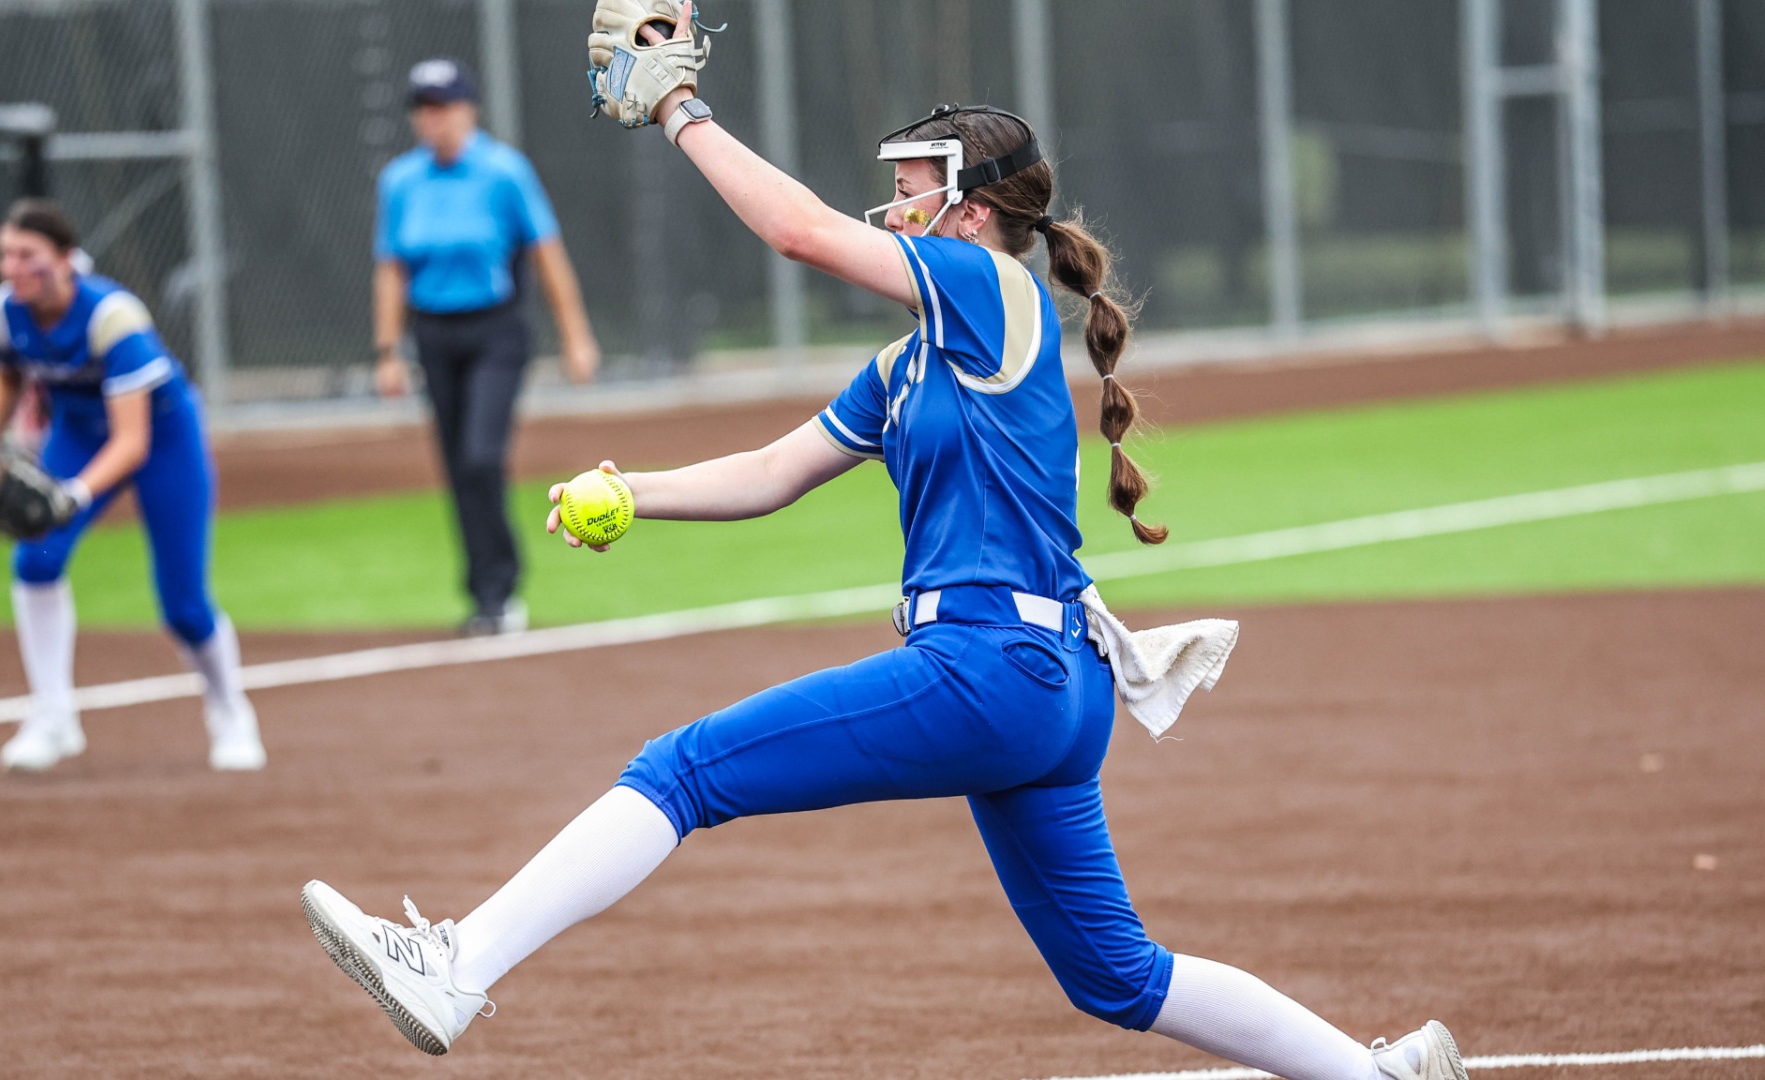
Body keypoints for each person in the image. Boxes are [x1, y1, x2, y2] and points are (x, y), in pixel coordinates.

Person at [301, 8, 1466, 1080]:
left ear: (971, 210)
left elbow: (798, 232)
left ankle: (456, 968)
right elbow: (773, 474)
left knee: (681, 769)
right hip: (1050, 690)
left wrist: (677, 105)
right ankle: (1368, 1078)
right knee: (1118, 977)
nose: (894, 204)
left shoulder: (987, 283)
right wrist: (630, 490)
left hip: (990, 669)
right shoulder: (913, 360)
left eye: (914, 187)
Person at [0, 198, 265, 774]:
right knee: (35, 561)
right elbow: (6, 377)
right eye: (4, 255)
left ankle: (229, 708)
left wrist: (74, 495)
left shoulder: (113, 318)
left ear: (65, 259)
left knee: (184, 606)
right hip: (80, 434)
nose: (13, 267)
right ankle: (54, 716)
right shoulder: (1, 314)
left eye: (27, 255)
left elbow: (132, 441)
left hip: (163, 441)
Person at [373, 57, 602, 637]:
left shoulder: (503, 172)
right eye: (424, 109)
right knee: (456, 466)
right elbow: (391, 268)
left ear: (469, 109)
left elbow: (547, 253)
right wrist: (387, 350)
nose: (435, 120)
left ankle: (502, 584)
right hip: (433, 332)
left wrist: (576, 336)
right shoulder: (401, 181)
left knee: (480, 456)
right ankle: (485, 597)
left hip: (496, 330)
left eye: (444, 106)